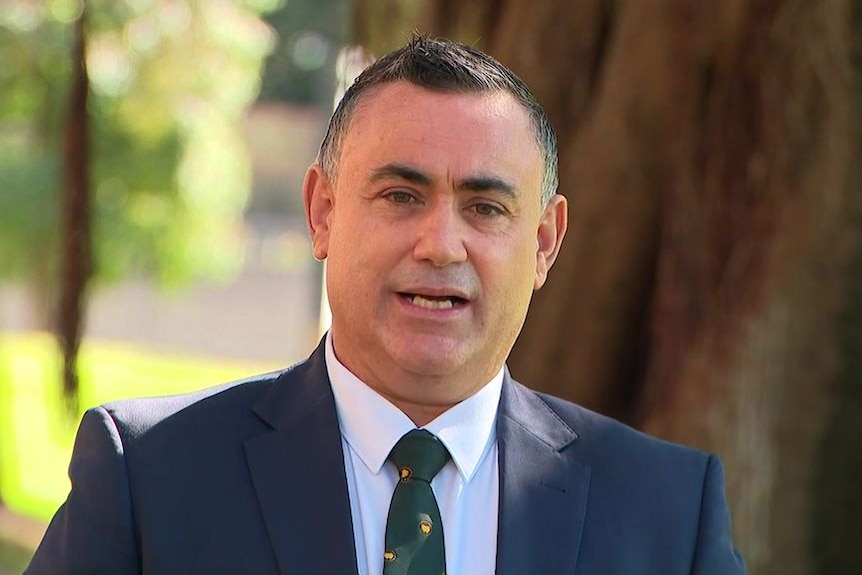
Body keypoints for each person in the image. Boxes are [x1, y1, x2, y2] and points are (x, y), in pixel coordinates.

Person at [27, 35, 745, 574]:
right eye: (402, 196)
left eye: (486, 206)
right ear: (322, 213)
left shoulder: (669, 513)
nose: (441, 244)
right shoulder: (148, 479)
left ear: (545, 243)